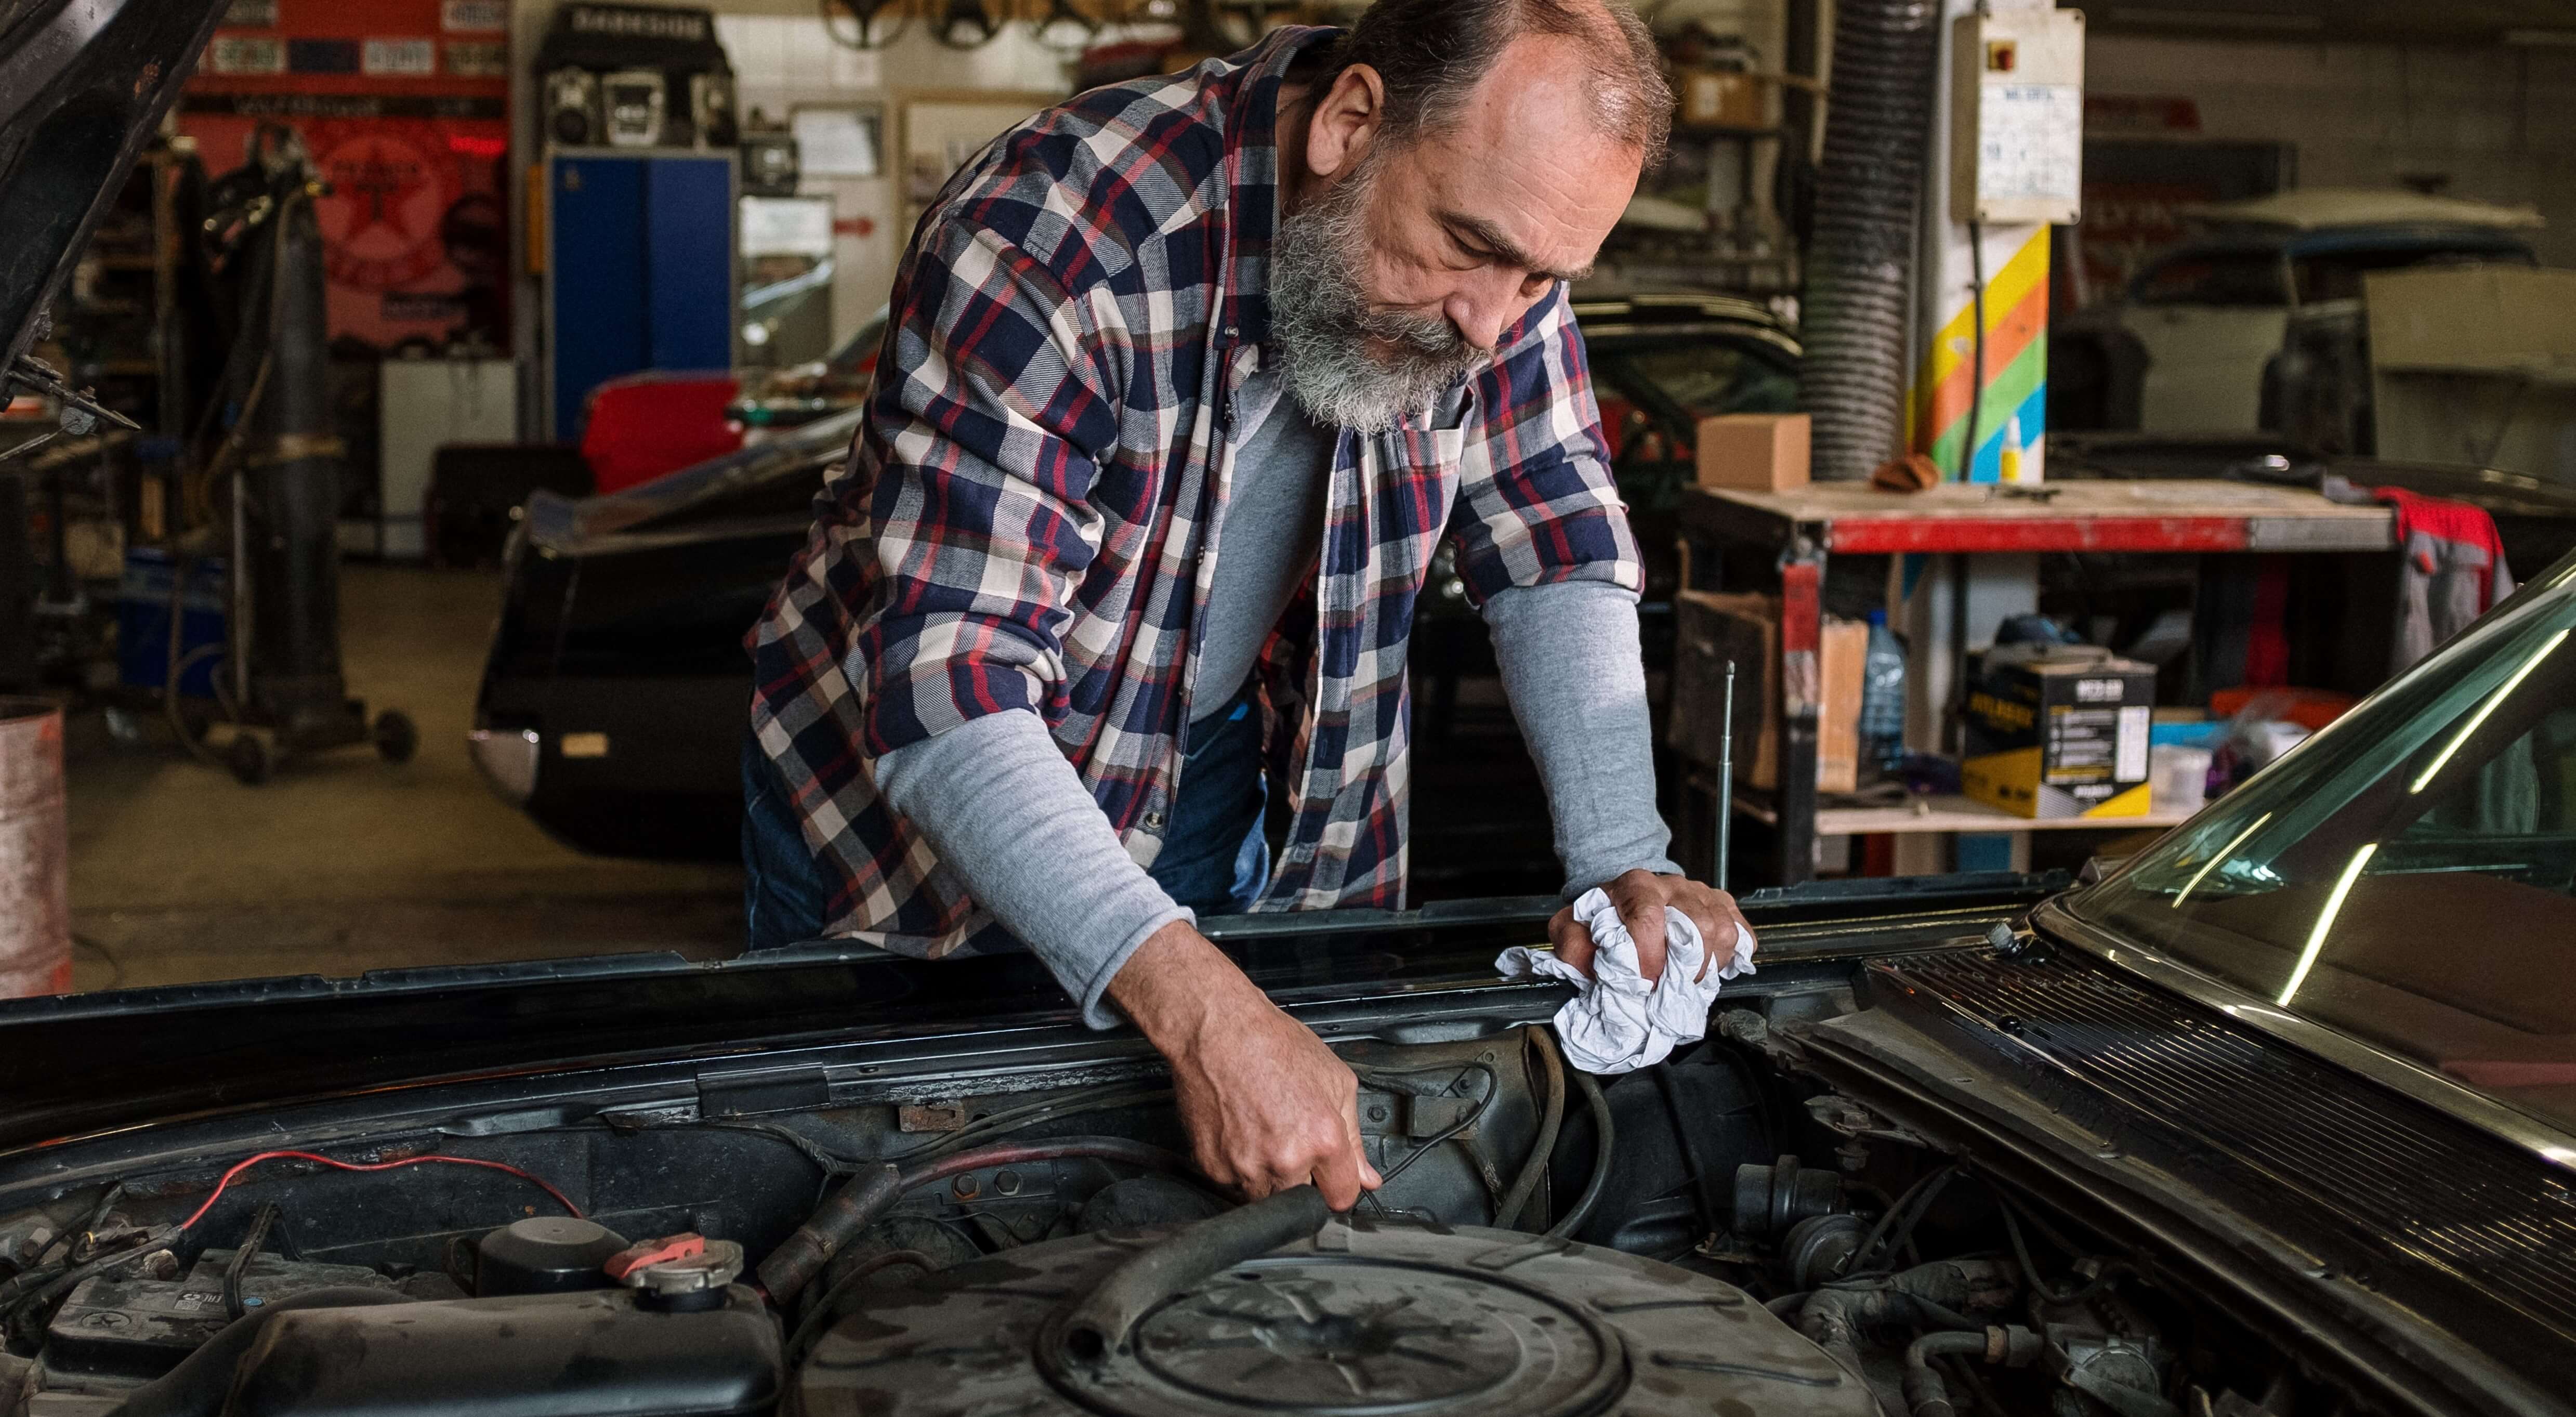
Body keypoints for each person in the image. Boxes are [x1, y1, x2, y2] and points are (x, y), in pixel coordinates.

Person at [743, 0, 1754, 1214]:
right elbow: (949, 681)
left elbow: (1554, 529)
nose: (1498, 319)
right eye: (1470, 247)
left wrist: (1622, 858)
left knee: (1208, 1202)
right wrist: (1202, 1006)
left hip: (1219, 760)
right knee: (906, 1208)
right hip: (912, 823)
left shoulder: (1494, 260)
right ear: (1351, 120)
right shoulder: (1048, 240)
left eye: (1543, 274)